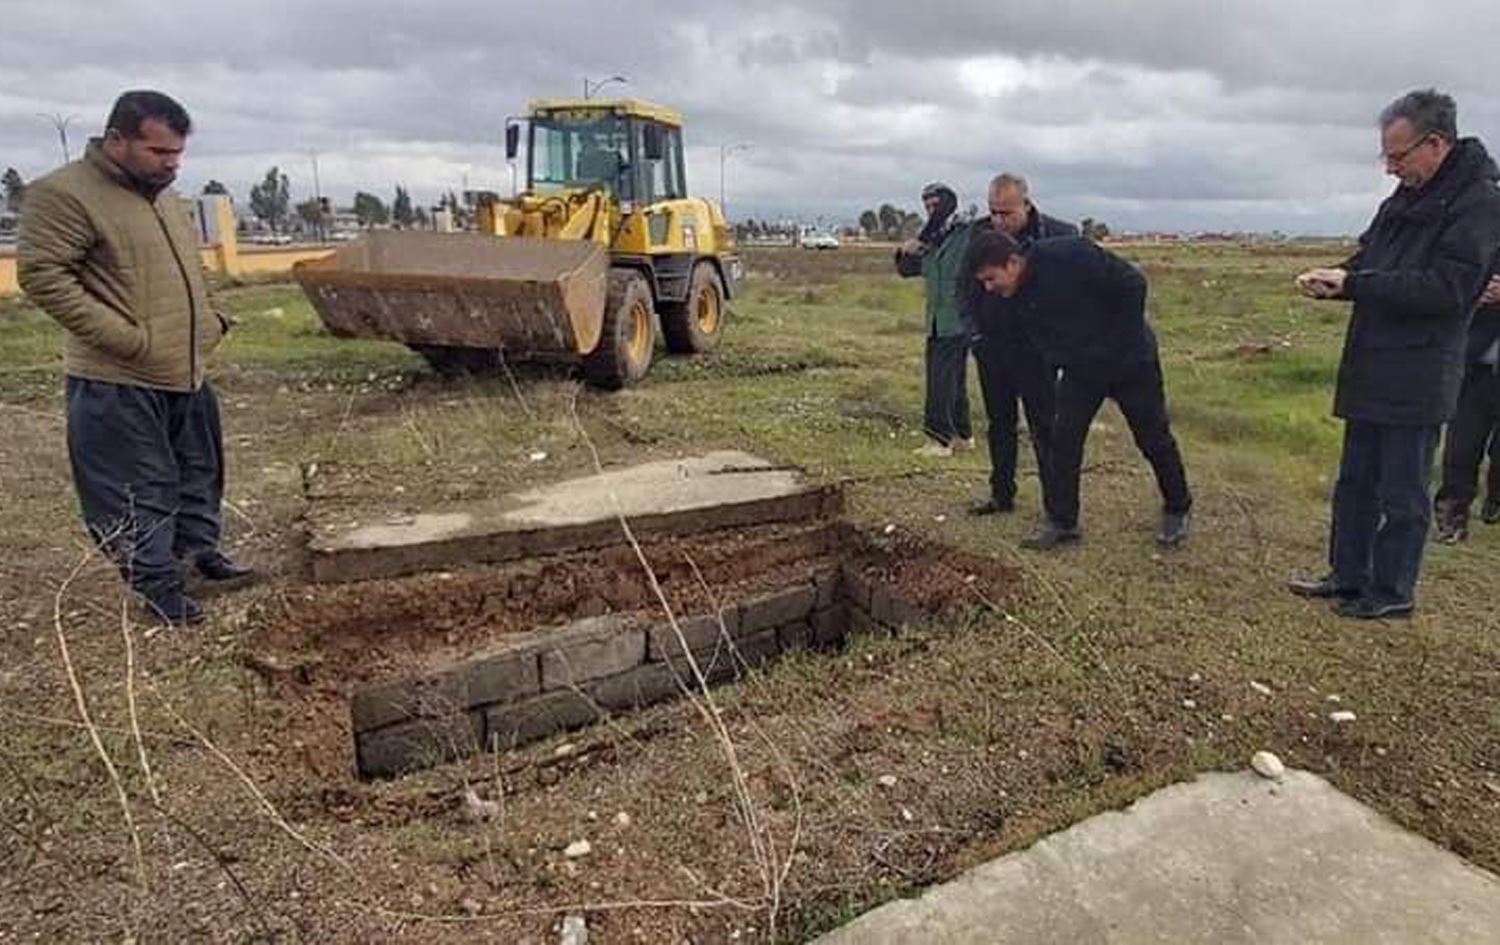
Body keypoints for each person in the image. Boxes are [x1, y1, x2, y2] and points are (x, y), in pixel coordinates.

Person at [18, 90, 253, 626]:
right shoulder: (64, 195)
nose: (172, 164)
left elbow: (187, 268)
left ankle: (199, 554)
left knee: (200, 469)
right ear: (117, 140)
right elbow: (43, 276)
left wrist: (211, 321)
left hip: (185, 367)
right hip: (119, 378)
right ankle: (156, 585)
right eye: (159, 152)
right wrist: (126, 339)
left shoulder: (162, 194)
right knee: (139, 485)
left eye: (177, 153)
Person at [1290, 89, 1500, 619]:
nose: (1390, 168)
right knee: (1356, 480)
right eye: (1386, 155)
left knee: (1402, 491)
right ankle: (1348, 574)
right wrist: (1336, 277)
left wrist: (1356, 285)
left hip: (1421, 369)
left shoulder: (1480, 203)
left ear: (1436, 143)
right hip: (1372, 360)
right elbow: (1372, 256)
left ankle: (1391, 592)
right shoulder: (1406, 197)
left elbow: (1447, 289)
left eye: (1399, 155)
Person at [967, 230, 1193, 550]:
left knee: (1152, 437)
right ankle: (1063, 523)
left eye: (991, 279)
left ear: (1014, 262)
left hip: (1131, 362)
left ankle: (1178, 507)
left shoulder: (1069, 255)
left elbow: (1133, 284)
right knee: (1063, 441)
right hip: (1081, 371)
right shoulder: (1012, 297)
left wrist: (1120, 346)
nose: (989, 288)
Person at [965, 173, 1077, 516]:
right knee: (1000, 425)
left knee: (1045, 427)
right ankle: (1002, 495)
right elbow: (964, 290)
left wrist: (1057, 344)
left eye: (1007, 213)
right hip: (993, 348)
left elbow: (1072, 298)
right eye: (993, 212)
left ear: (1026, 204)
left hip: (1037, 353)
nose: (999, 221)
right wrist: (976, 336)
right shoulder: (979, 233)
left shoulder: (1061, 235)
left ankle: (1056, 509)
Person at [895, 183, 973, 457]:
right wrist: (906, 251)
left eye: (935, 204)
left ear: (949, 203)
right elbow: (909, 270)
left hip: (958, 316)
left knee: (939, 380)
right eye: (926, 205)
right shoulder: (931, 236)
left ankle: (939, 438)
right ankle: (963, 434)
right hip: (938, 318)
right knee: (955, 380)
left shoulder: (966, 232)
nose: (931, 210)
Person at [1433, 268, 1500, 542]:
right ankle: (1452, 519)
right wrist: (1477, 291)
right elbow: (1454, 281)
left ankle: (1495, 499)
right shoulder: (1487, 239)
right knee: (1462, 446)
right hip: (1476, 368)